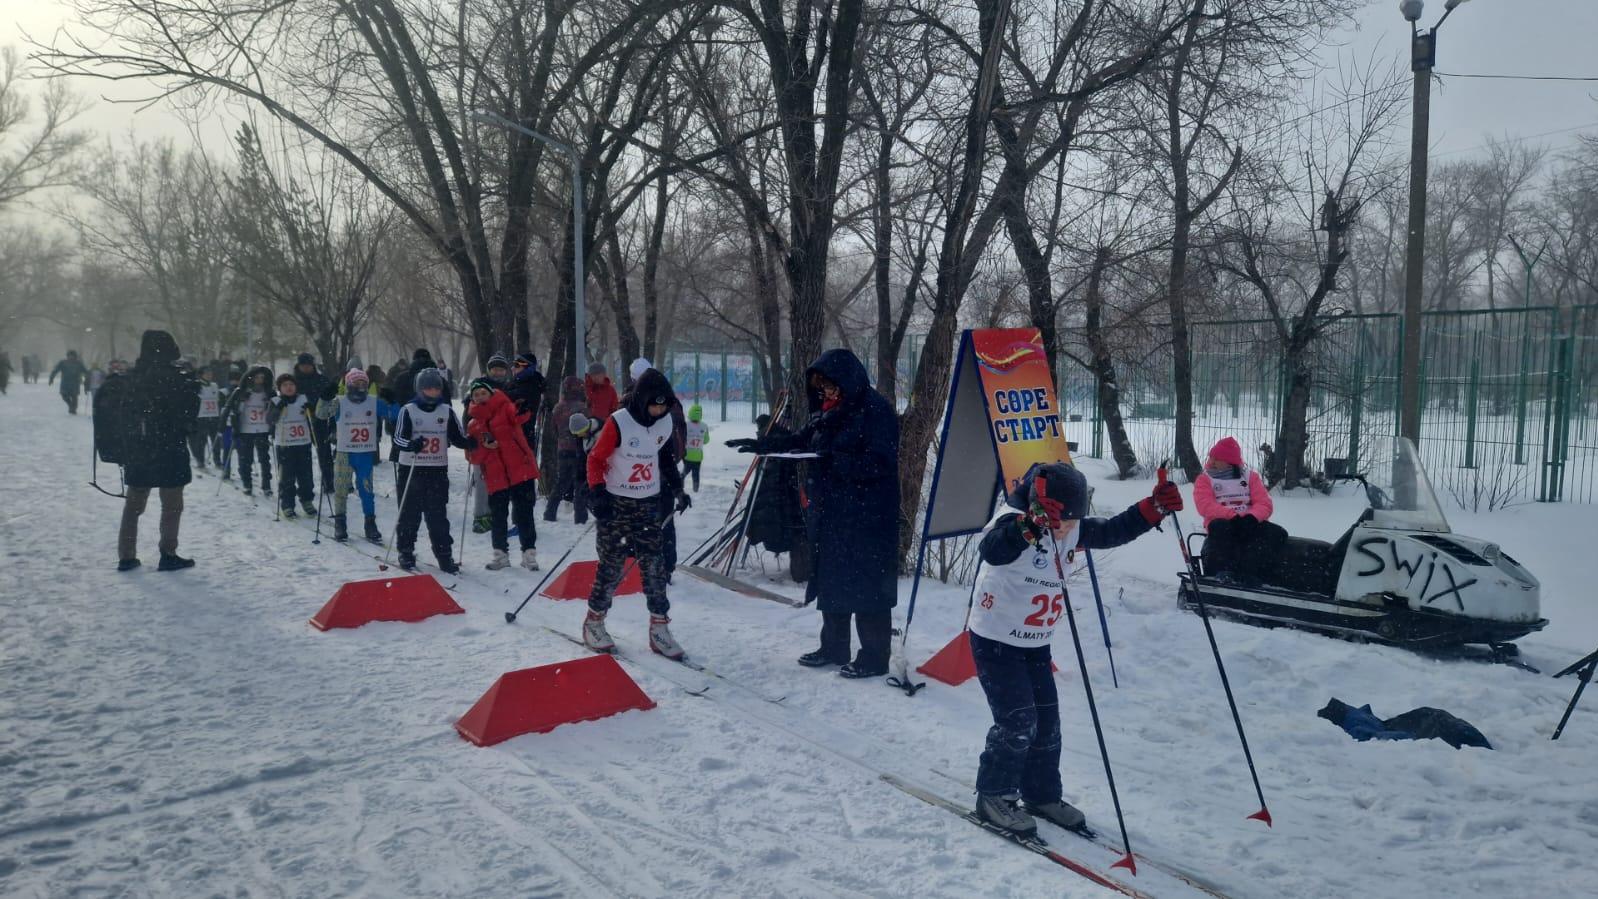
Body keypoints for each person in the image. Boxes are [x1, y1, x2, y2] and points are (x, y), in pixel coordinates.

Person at [965, 462, 1183, 837]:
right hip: (996, 641)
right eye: (1062, 521)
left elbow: (1112, 531)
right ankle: (993, 795)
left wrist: (1153, 509)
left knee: (1047, 724)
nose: (1067, 529)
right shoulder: (1013, 520)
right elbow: (993, 550)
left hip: (1035, 643)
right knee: (1018, 722)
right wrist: (1029, 525)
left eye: (1072, 521)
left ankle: (1041, 795)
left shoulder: (1069, 526)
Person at [728, 349, 899, 678]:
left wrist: (836, 461)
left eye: (831, 387)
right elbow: (800, 440)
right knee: (832, 579)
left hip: (868, 515)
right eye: (821, 388)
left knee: (868, 585)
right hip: (833, 511)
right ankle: (834, 647)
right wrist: (763, 446)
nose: (827, 394)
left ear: (847, 380)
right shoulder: (828, 412)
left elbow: (881, 462)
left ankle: (874, 657)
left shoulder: (875, 411)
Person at [581, 368, 690, 660]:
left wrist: (678, 489)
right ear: (642, 400)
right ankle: (594, 622)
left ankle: (659, 627)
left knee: (654, 565)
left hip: (647, 503)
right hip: (617, 503)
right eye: (654, 405)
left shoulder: (664, 422)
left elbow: (666, 458)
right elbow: (595, 459)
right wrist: (597, 493)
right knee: (612, 565)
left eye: (664, 405)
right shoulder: (619, 422)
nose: (658, 411)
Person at [116, 330, 200, 572]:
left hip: (139, 450)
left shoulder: (133, 378)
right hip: (170, 449)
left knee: (133, 506)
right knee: (172, 505)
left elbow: (125, 414)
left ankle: (126, 556)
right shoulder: (177, 378)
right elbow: (187, 415)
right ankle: (168, 553)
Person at [392, 368, 474, 572]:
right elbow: (398, 439)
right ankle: (406, 552)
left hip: (437, 470)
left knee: (437, 516)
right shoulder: (408, 410)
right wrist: (411, 444)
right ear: (420, 389)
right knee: (409, 515)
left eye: (436, 389)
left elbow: (457, 437)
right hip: (411, 469)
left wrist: (470, 443)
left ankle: (444, 555)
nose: (433, 393)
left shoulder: (446, 411)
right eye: (428, 389)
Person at [465, 377, 541, 571]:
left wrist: (524, 409)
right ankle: (500, 555)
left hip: (520, 469)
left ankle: (529, 554)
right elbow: (473, 458)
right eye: (476, 394)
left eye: (483, 393)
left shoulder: (505, 408)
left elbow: (519, 416)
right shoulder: (473, 424)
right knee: (498, 516)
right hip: (495, 474)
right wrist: (481, 446)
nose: (480, 397)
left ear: (491, 394)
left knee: (524, 513)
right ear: (472, 399)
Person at [1193, 436, 1287, 585]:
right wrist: (1232, 516)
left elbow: (1264, 503)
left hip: (1249, 521)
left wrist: (1252, 518)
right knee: (1220, 528)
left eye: (1217, 458)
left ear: (1229, 461)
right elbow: (1205, 505)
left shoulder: (1250, 477)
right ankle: (1224, 570)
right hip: (1223, 521)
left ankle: (1251, 572)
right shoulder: (1205, 479)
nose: (1212, 461)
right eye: (1212, 457)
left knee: (1277, 533)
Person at [316, 369, 394, 543]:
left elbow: (394, 414)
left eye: (363, 383)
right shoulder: (340, 402)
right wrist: (325, 397)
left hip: (365, 453)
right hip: (345, 452)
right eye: (356, 383)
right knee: (341, 488)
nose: (360, 386)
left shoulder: (373, 402)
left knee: (366, 490)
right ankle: (340, 523)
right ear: (349, 384)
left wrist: (393, 401)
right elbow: (321, 414)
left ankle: (370, 523)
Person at [466, 354, 513, 534]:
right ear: (489, 370)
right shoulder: (479, 387)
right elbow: (468, 416)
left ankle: (495, 515)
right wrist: (469, 440)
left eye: (501, 370)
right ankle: (480, 516)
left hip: (501, 444)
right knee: (482, 482)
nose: (498, 373)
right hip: (480, 444)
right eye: (495, 369)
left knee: (500, 482)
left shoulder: (508, 388)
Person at [268, 374, 318, 519]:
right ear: (280, 388)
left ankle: (307, 500)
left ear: (296, 386)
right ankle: (287, 504)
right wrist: (278, 408)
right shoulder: (276, 401)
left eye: (291, 384)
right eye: (285, 385)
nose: (288, 388)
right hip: (285, 445)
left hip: (303, 443)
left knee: (306, 476)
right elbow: (270, 419)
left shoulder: (303, 399)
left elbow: (315, 418)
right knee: (287, 477)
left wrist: (311, 409)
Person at [289, 354, 337, 496]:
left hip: (320, 421)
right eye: (303, 365)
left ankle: (329, 482)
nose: (306, 368)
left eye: (308, 365)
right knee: (303, 456)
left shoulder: (321, 380)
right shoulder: (293, 381)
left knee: (324, 453)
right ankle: (305, 485)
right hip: (299, 422)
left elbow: (329, 399)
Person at [544, 375, 590, 523]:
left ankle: (550, 513)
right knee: (580, 484)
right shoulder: (583, 408)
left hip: (562, 449)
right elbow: (587, 429)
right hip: (579, 450)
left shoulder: (558, 407)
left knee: (561, 482)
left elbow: (553, 430)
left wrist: (562, 439)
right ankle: (580, 517)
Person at [224, 366, 275, 497]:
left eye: (262, 378)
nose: (259, 380)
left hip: (263, 429)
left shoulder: (269, 392)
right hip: (245, 430)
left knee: (264, 459)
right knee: (246, 459)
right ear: (250, 378)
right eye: (257, 377)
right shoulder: (241, 391)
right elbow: (229, 407)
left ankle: (267, 485)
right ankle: (247, 484)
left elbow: (277, 409)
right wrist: (226, 424)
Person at [190, 366, 224, 470]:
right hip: (202, 417)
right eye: (207, 373)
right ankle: (200, 461)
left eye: (210, 373)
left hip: (214, 416)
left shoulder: (214, 385)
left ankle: (217, 460)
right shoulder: (197, 385)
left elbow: (218, 400)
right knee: (201, 441)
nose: (209, 375)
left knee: (216, 440)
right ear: (201, 375)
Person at [682, 403, 709, 492]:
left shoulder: (685, 425)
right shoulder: (704, 426)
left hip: (687, 454)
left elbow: (682, 438)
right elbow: (706, 441)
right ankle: (696, 488)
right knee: (696, 473)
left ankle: (680, 481)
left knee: (686, 470)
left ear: (690, 413)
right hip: (698, 456)